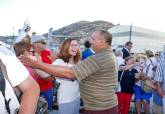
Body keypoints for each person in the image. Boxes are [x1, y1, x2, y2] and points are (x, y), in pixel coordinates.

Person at [20, 30, 118, 114]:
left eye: (92, 39)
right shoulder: (106, 56)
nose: (90, 42)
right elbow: (49, 76)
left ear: (101, 41)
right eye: (72, 45)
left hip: (99, 107)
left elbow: (71, 73)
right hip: (73, 101)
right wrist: (37, 66)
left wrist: (38, 65)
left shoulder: (98, 58)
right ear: (66, 47)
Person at [0, 41, 40, 114]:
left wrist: (37, 64)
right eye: (31, 52)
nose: (34, 54)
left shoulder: (5, 57)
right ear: (21, 53)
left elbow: (46, 77)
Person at [52, 38, 80, 114]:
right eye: (72, 45)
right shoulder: (59, 62)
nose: (75, 47)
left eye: (76, 45)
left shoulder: (77, 62)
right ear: (66, 47)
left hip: (77, 97)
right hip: (66, 100)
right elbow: (47, 73)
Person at [31, 35, 54, 110]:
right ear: (35, 44)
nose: (46, 43)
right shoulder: (30, 55)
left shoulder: (48, 53)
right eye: (43, 42)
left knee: (47, 109)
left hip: (48, 88)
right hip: (34, 89)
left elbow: (53, 67)